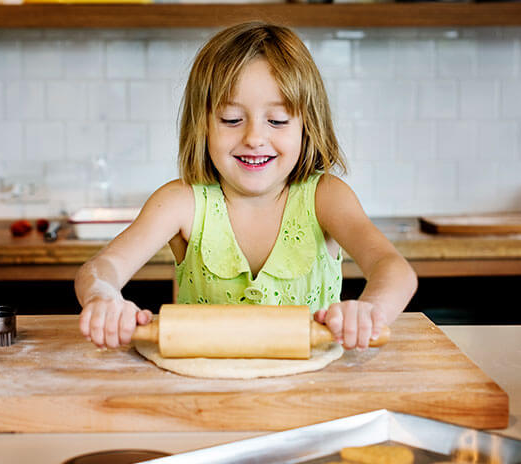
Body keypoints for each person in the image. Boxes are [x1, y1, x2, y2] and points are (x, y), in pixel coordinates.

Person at [75, 21, 417, 352]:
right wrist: (103, 298)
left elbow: (394, 268)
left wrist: (370, 312)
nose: (254, 138)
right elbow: (101, 269)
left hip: (310, 397)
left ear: (306, 126)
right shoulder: (181, 203)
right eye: (231, 120)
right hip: (202, 397)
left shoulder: (326, 197)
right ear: (203, 126)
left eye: (277, 121)